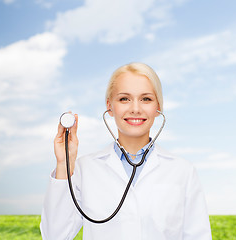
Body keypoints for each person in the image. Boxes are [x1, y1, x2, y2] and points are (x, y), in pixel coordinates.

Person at [40, 62, 212, 240]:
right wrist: (63, 164)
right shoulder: (84, 169)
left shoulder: (183, 171)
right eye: (124, 99)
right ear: (110, 106)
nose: (135, 109)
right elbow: (54, 236)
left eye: (146, 99)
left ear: (158, 107)